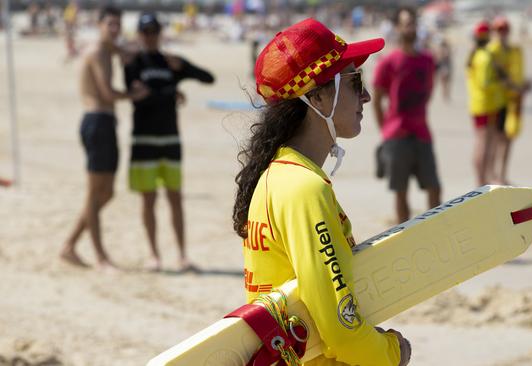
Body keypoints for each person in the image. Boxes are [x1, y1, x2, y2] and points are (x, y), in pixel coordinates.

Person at [233, 18, 411, 366]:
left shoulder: (279, 173)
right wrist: (390, 354)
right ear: (315, 96)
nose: (367, 96)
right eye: (354, 82)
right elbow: (340, 328)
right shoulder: (303, 189)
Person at [124, 13, 215, 272]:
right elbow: (138, 98)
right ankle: (154, 254)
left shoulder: (169, 62)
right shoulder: (134, 63)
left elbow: (208, 78)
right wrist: (170, 92)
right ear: (139, 35)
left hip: (170, 138)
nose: (150, 36)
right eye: (145, 32)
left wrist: (183, 66)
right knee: (148, 199)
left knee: (175, 197)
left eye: (154, 31)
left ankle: (182, 255)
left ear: (160, 33)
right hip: (143, 138)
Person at [61, 6, 149, 270]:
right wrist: (135, 95)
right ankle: (100, 257)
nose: (114, 29)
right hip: (97, 121)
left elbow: (126, 52)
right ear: (99, 24)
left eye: (117, 25)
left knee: (107, 192)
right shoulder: (97, 51)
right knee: (94, 192)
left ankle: (69, 245)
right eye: (109, 24)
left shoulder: (107, 49)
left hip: (106, 123)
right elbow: (108, 93)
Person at [372, 7, 441, 224]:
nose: (409, 27)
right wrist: (385, 130)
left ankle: (435, 230)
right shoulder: (388, 62)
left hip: (421, 131)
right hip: (396, 133)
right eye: (405, 23)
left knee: (434, 187)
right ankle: (405, 232)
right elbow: (377, 100)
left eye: (412, 22)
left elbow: (428, 91)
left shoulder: (427, 60)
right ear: (398, 28)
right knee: (401, 191)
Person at [487, 16, 531, 185]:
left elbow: (516, 74)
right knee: (496, 139)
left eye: (504, 29)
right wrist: (514, 86)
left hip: (512, 101)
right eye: (499, 29)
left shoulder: (514, 51)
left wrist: (521, 86)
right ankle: (492, 174)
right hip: (496, 101)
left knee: (508, 138)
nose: (502, 33)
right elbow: (496, 77)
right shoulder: (492, 51)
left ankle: (502, 174)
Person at [465, 21, 502, 186]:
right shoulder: (484, 57)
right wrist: (501, 83)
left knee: (482, 142)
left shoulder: (473, 55)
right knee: (485, 144)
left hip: (476, 103)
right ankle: (481, 179)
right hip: (486, 104)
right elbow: (485, 83)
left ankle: (482, 178)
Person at [436, 39, 453, 103]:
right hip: (444, 67)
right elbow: (440, 58)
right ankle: (445, 95)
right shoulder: (442, 50)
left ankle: (446, 95)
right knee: (444, 82)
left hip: (446, 67)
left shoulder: (444, 49)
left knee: (446, 82)